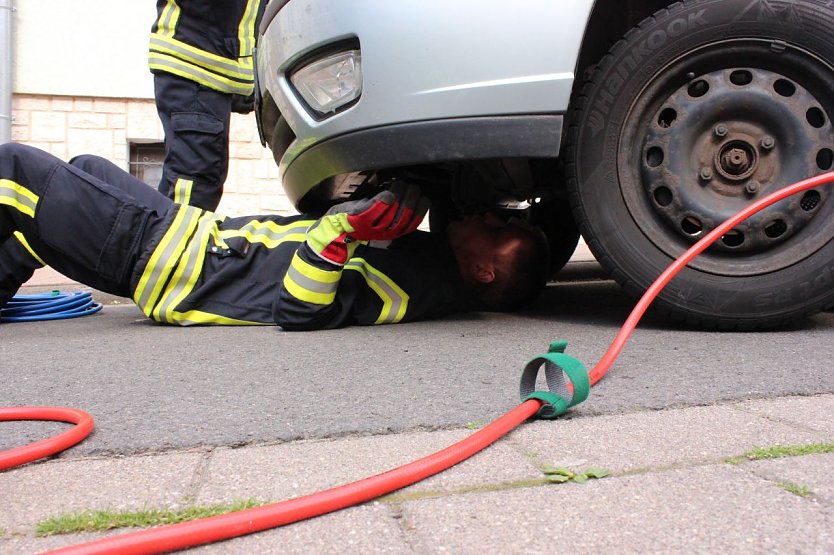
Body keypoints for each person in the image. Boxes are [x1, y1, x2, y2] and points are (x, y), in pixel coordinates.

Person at [0, 143, 549, 330]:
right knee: (87, 167)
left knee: (13, 172)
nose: (490, 217)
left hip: (174, 261)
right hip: (186, 239)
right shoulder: (424, 255)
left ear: (484, 272)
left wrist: (338, 232)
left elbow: (303, 310)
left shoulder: (417, 285)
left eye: (501, 232)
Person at [149, 0, 265, 211]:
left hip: (216, 64)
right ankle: (174, 242)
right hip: (196, 63)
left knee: (199, 181)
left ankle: (166, 238)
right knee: (193, 185)